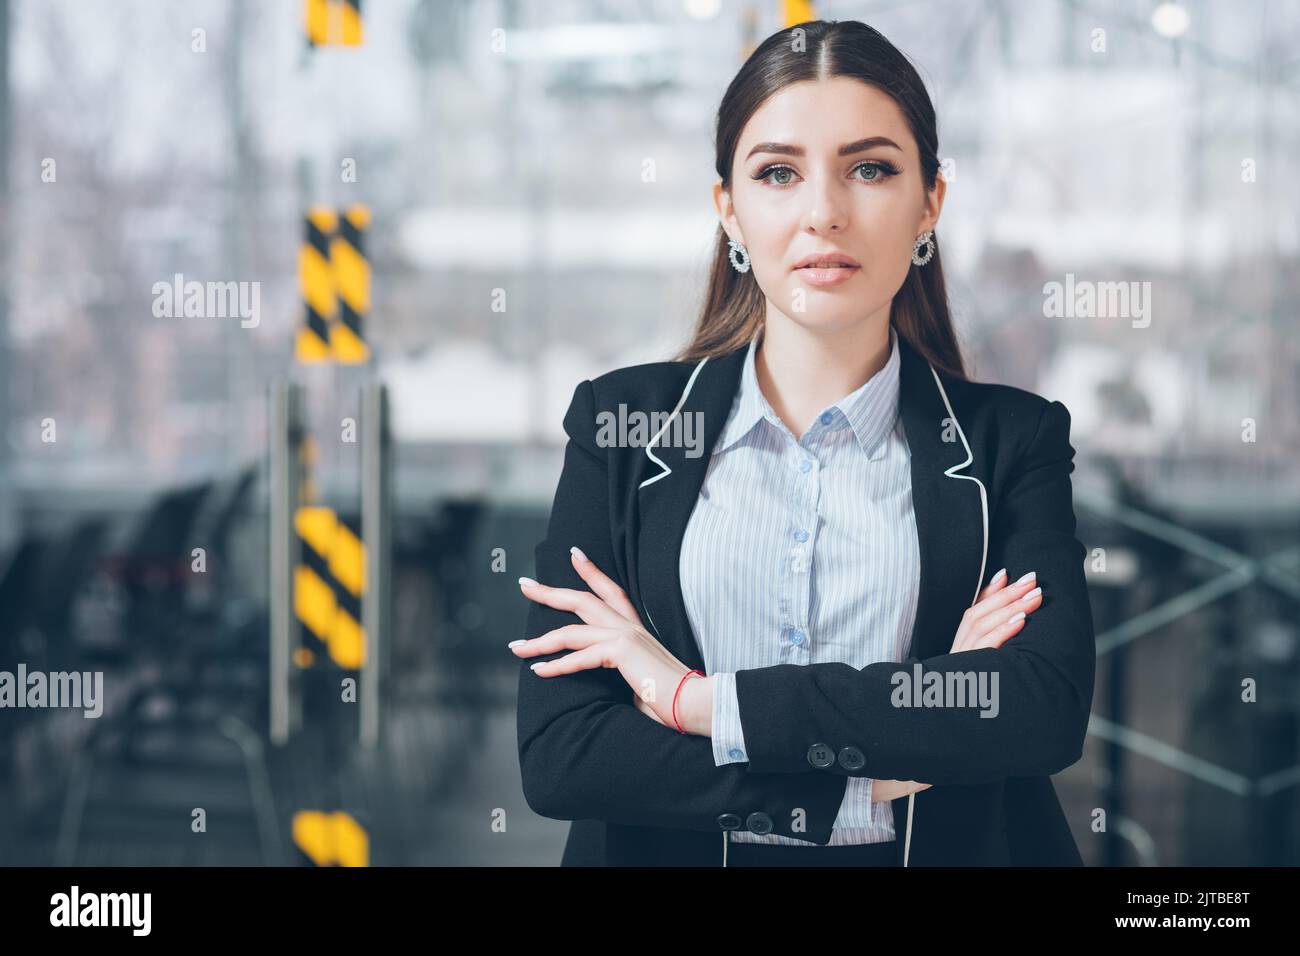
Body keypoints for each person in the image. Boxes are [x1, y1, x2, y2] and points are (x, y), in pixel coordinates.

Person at [511, 18, 1095, 867]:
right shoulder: (620, 428)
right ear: (730, 211)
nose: (824, 212)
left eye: (870, 168)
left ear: (930, 200)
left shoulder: (1012, 442)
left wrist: (692, 700)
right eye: (778, 173)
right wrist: (890, 755)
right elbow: (565, 757)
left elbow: (1037, 709)